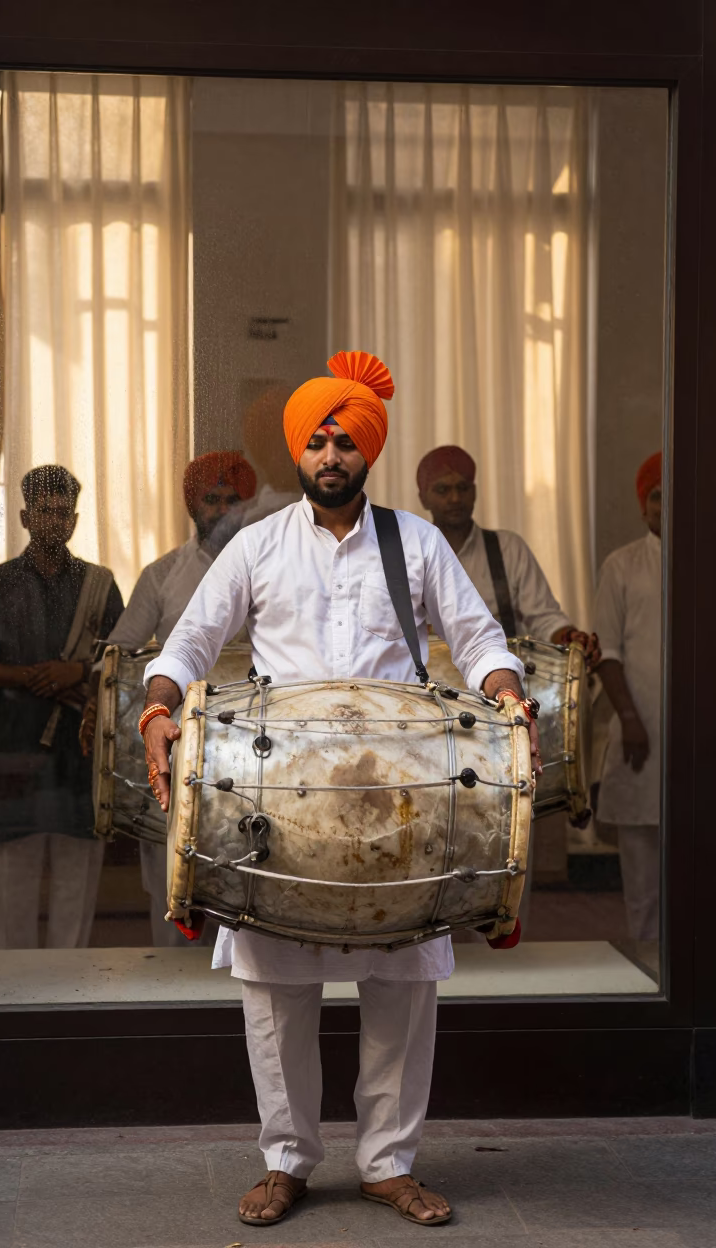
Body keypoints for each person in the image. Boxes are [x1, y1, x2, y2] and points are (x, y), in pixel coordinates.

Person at [140, 352, 539, 1228]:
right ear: (300, 452)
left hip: (399, 805)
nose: (330, 455)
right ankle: (286, 1161)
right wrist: (159, 710)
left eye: (345, 441)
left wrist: (508, 694)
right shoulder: (257, 546)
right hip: (278, 806)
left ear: (367, 452)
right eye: (318, 440)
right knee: (275, 996)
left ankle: (388, 1165)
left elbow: (478, 639)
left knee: (402, 990)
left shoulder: (418, 543)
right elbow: (188, 642)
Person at [81, 451, 257, 946]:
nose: (222, 510)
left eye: (233, 500)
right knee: (171, 867)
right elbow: (116, 655)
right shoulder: (163, 575)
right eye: (212, 499)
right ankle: (173, 986)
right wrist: (98, 696)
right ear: (191, 506)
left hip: (251, 745)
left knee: (243, 863)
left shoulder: (267, 564)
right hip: (175, 740)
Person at [0, 465, 123, 949]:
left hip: (79, 760)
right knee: (13, 889)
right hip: (16, 753)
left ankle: (69, 1000)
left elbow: (123, 662)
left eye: (62, 513)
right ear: (26, 517)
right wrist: (30, 678)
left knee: (77, 889)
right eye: (44, 512)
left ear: (73, 520)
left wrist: (76, 673)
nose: (54, 521)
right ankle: (11, 998)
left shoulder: (100, 585)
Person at [417, 445, 599, 660]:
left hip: (504, 685)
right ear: (424, 499)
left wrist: (573, 640)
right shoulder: (408, 557)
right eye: (442, 490)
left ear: (474, 492)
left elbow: (545, 619)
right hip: (429, 688)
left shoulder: (508, 549)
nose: (455, 498)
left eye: (463, 487)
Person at [593, 451, 662, 945]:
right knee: (643, 876)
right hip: (641, 730)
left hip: (704, 739)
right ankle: (645, 964)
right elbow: (607, 652)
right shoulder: (622, 565)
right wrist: (632, 721)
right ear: (644, 507)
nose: (667, 506)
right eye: (658, 496)